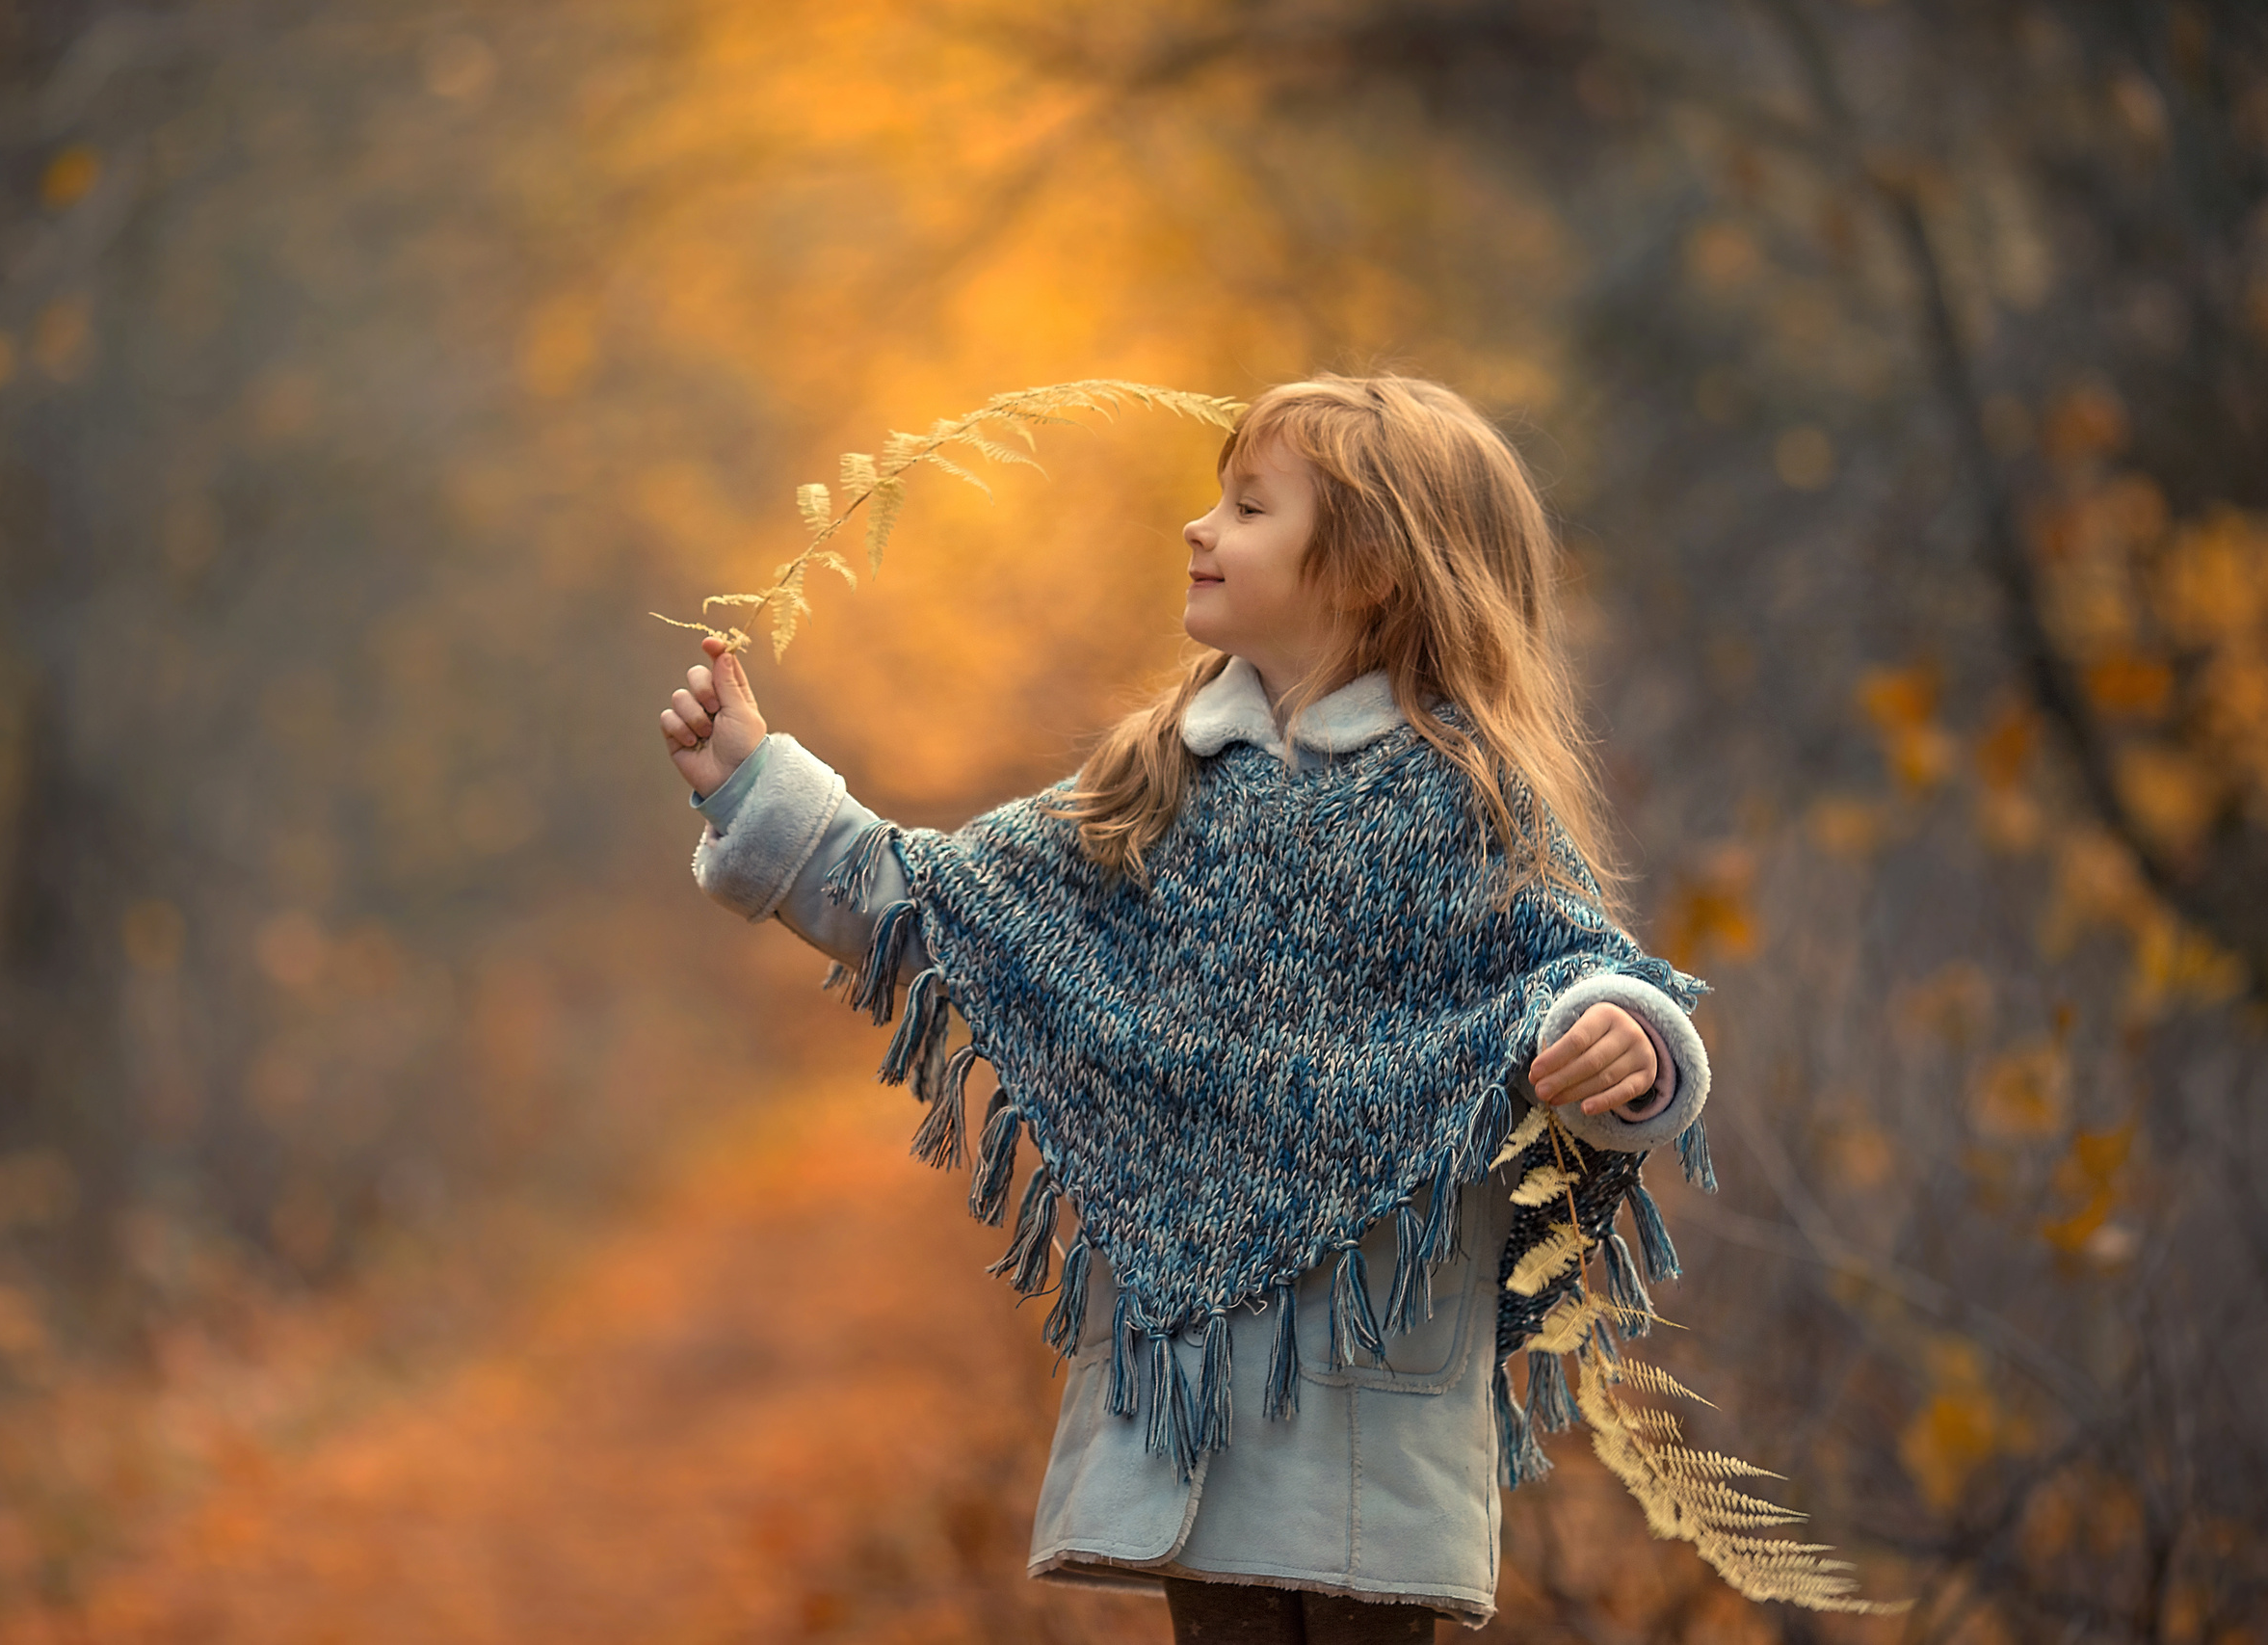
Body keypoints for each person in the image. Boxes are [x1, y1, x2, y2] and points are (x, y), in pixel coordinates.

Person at [660, 374, 1715, 1642]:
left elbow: (1584, 976)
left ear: (1373, 565)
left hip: (1373, 1405)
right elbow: (938, 908)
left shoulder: (1460, 803)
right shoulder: (1150, 786)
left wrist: (1629, 1042)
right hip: (1189, 1399)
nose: (1199, 528)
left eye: (1250, 506)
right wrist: (754, 785)